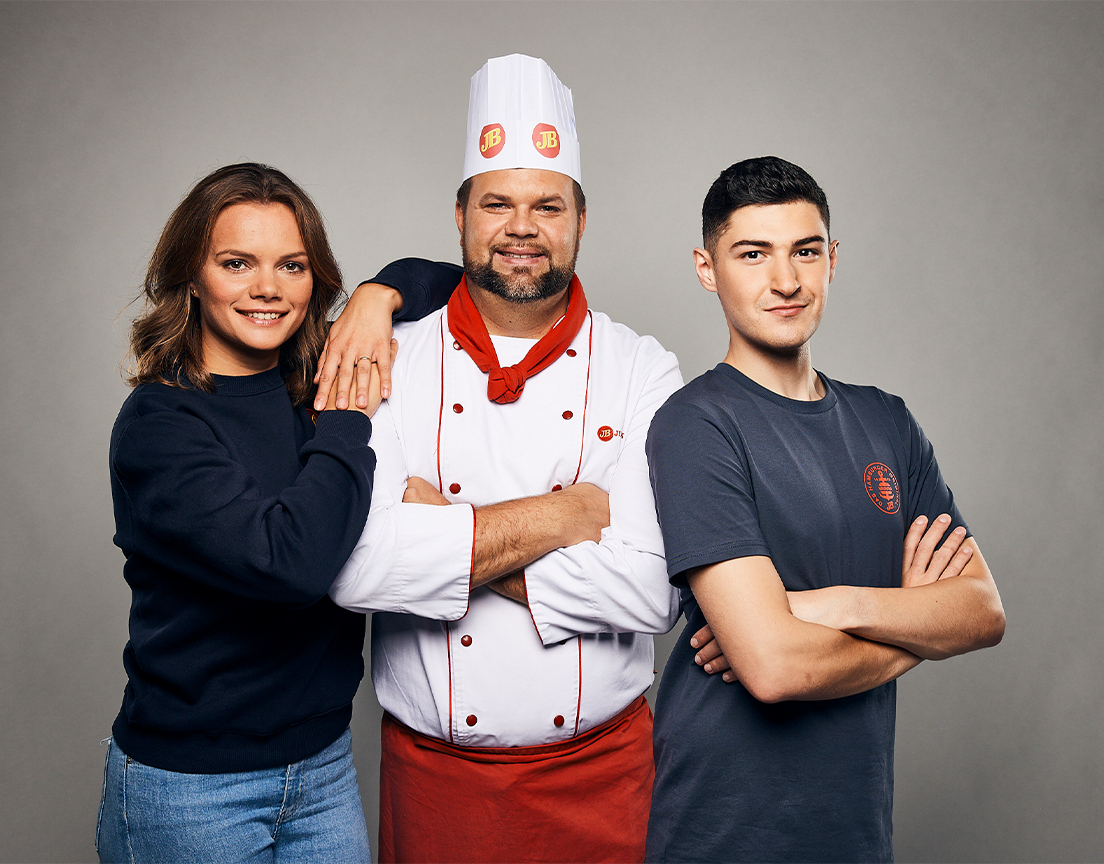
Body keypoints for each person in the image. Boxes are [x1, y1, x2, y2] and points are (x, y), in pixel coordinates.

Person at [319, 54, 683, 863]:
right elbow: (354, 570)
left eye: (547, 205)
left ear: (581, 219)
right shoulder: (384, 358)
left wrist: (440, 531)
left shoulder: (642, 368)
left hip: (605, 774)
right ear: (459, 216)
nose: (522, 227)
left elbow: (649, 589)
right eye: (498, 203)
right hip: (435, 778)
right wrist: (566, 516)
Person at [644, 156, 1007, 863]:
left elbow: (982, 613)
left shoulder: (886, 421)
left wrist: (821, 605)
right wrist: (917, 625)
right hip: (726, 832)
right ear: (707, 268)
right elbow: (776, 670)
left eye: (805, 251)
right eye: (753, 254)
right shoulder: (696, 425)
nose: (786, 281)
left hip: (855, 829)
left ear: (832, 259)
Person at [97, 163, 448, 864]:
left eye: (292, 265)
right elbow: (289, 563)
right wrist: (347, 422)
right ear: (192, 277)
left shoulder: (311, 376)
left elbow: (459, 278)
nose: (268, 288)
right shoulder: (160, 423)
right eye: (237, 263)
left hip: (320, 767)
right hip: (192, 789)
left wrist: (377, 296)